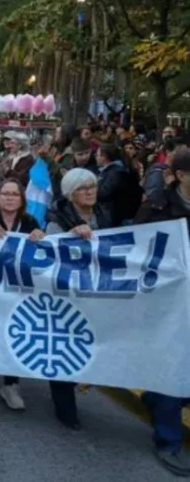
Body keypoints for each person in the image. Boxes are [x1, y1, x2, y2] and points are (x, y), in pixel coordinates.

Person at [133, 149, 190, 477]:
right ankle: (168, 440)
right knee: (174, 364)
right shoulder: (156, 208)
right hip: (168, 303)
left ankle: (156, 399)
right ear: (181, 176)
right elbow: (139, 250)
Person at [45, 168, 112, 430]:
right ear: (71, 194)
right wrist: (72, 234)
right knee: (65, 346)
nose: (90, 191)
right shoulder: (57, 218)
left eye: (93, 186)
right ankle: (64, 406)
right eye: (83, 188)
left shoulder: (104, 214)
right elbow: (49, 252)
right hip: (69, 294)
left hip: (98, 292)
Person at [0, 179, 45, 411]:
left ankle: (11, 384)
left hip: (17, 289)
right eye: (5, 193)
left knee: (15, 333)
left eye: (15, 194)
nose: (10, 198)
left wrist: (39, 234)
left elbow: (42, 244)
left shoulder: (29, 220)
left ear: (22, 199)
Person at [96, 143, 143, 225]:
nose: (96, 157)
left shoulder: (115, 173)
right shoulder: (111, 171)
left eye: (97, 155)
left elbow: (104, 193)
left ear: (104, 157)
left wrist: (93, 189)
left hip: (118, 218)